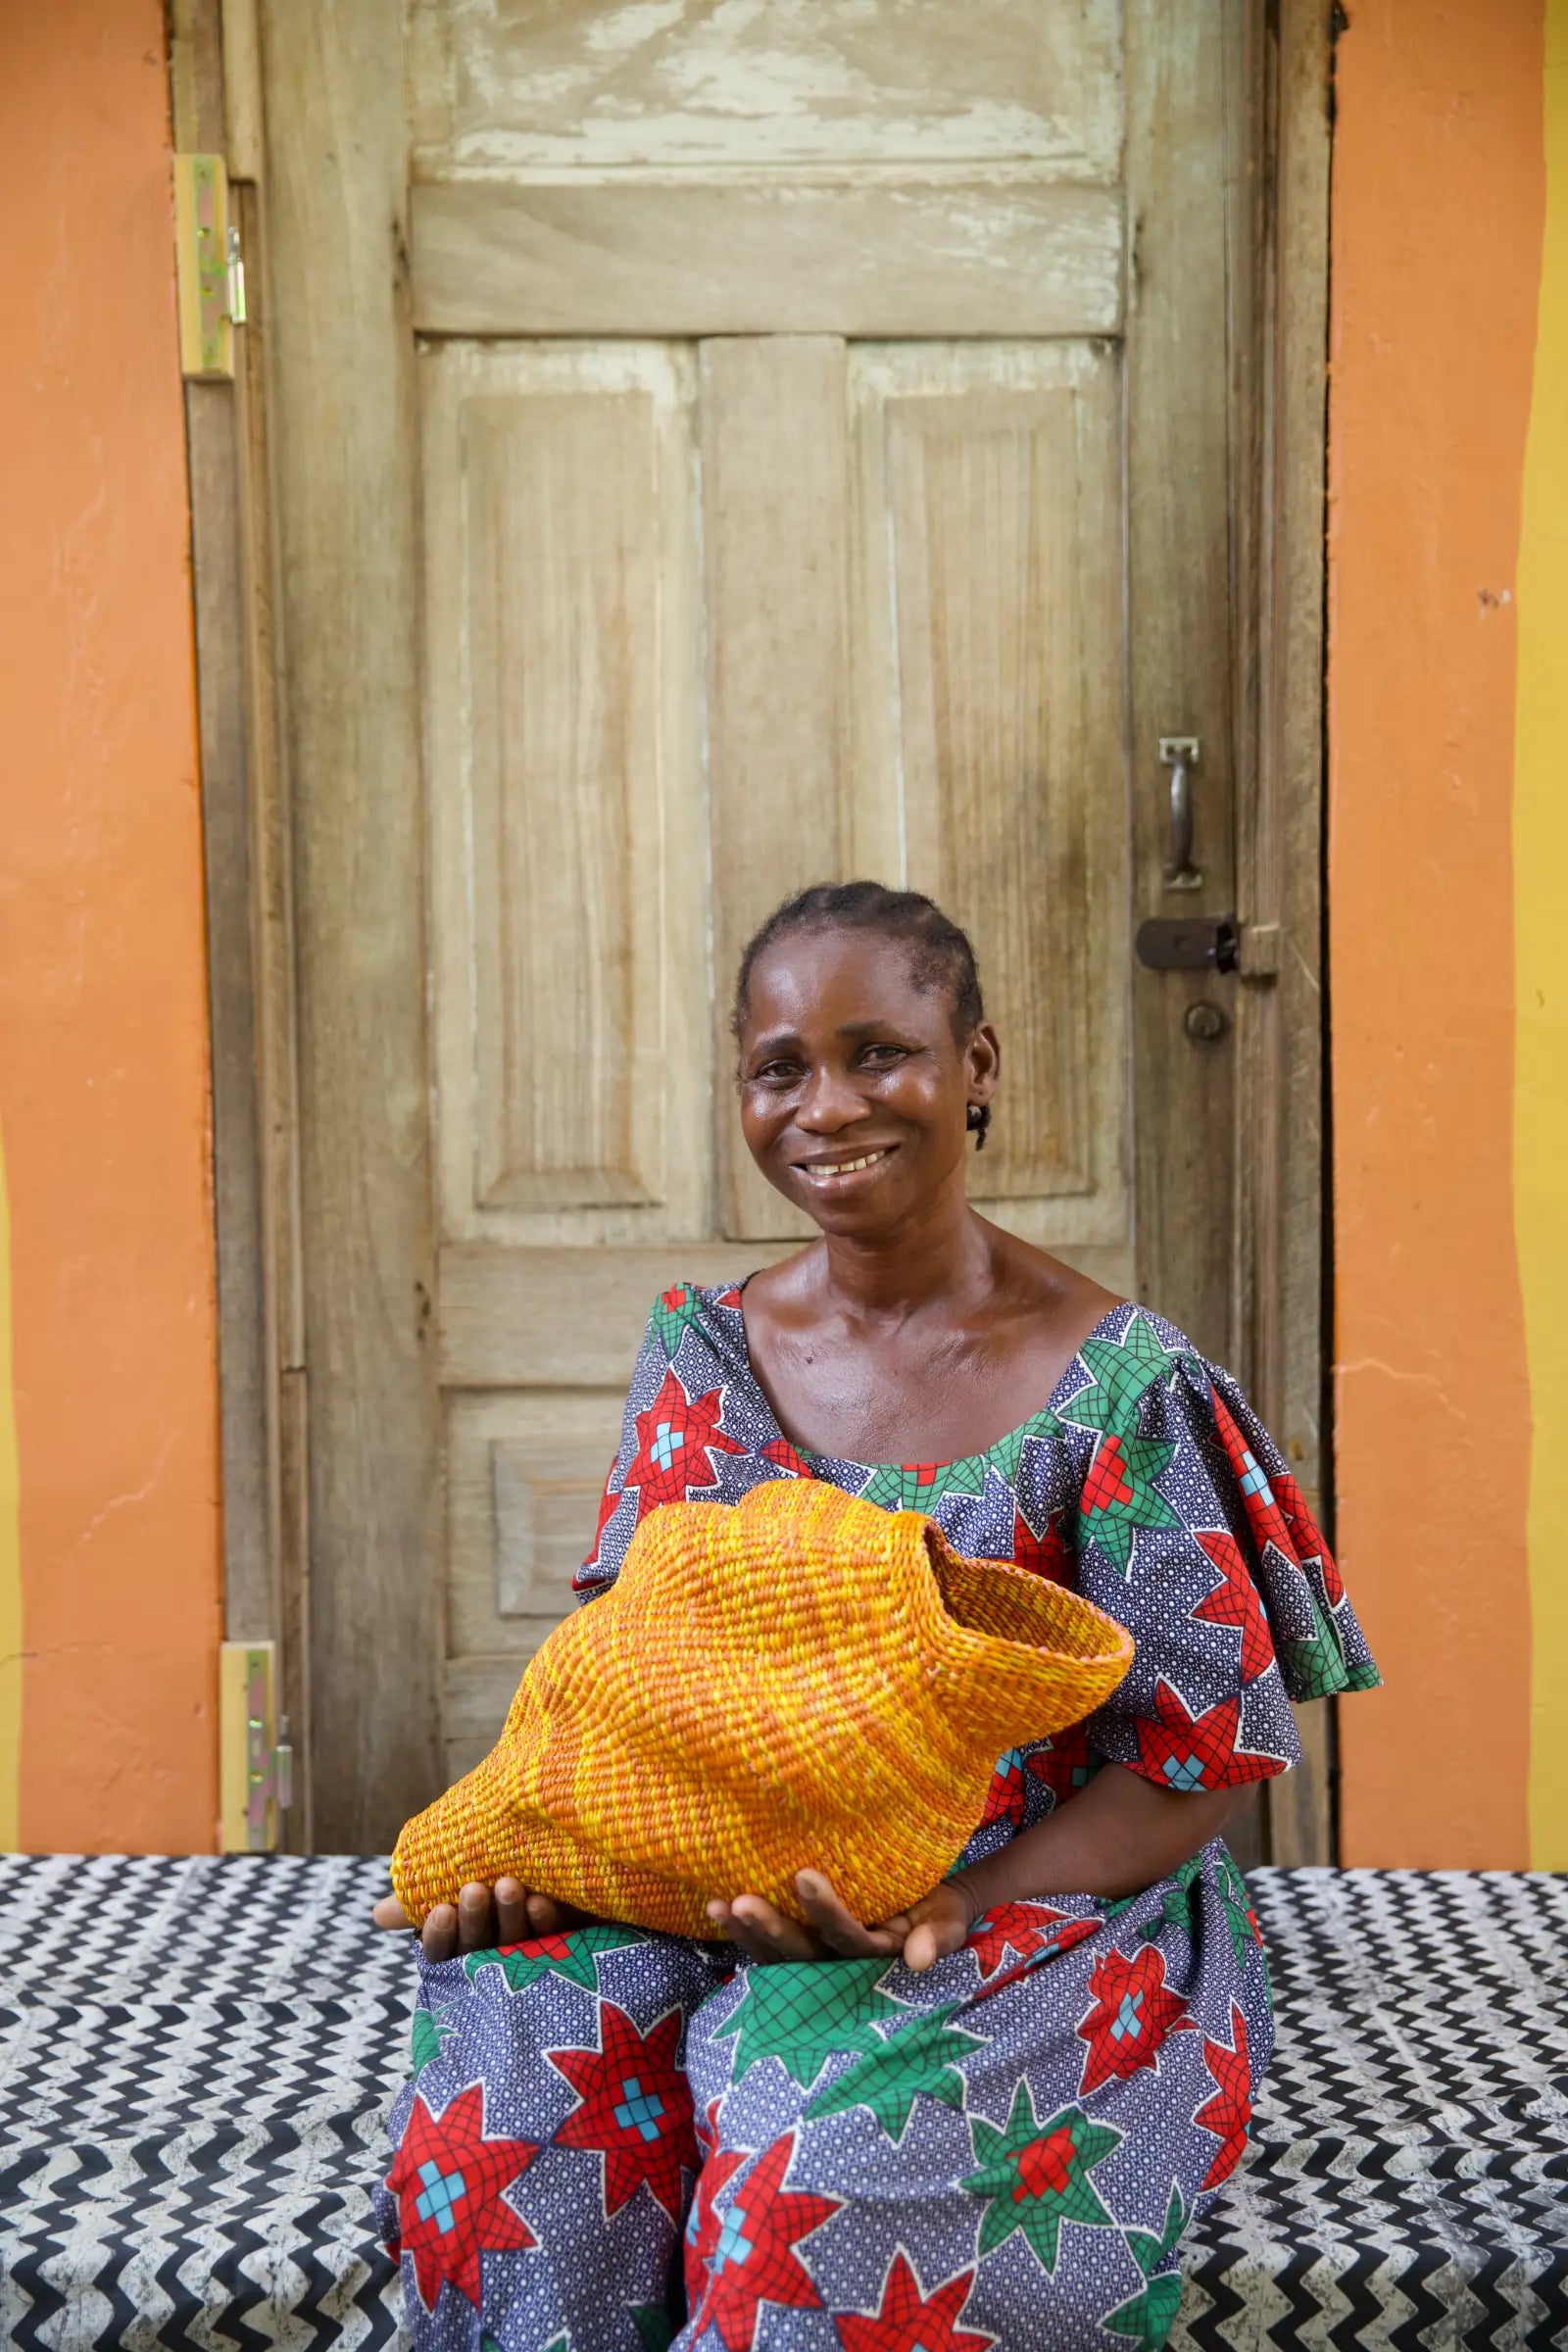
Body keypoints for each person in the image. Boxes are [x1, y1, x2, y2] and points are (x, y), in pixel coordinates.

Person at [372, 881, 1378, 2351]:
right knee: (519, 2106)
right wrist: (559, 1865)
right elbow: (640, 1689)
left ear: (978, 1066)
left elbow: (1199, 1762)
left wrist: (956, 1901)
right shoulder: (709, 1358)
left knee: (809, 2161)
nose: (827, 1106)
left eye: (880, 1053)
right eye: (779, 1068)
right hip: (717, 1874)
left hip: (1030, 1906)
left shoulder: (1119, 1390)